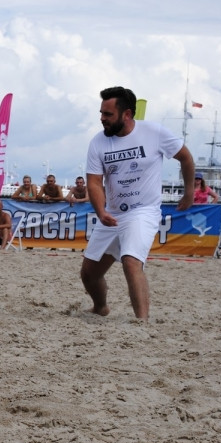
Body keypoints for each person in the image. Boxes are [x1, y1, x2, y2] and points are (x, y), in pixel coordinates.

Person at [80, 86, 194, 320]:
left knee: (131, 261)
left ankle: (142, 322)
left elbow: (185, 157)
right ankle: (100, 307)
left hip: (143, 211)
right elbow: (94, 182)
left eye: (108, 114)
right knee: (89, 274)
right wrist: (100, 211)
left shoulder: (154, 132)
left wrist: (189, 191)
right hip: (111, 213)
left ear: (127, 114)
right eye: (101, 113)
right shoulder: (98, 142)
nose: (102, 119)